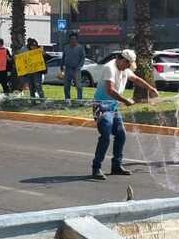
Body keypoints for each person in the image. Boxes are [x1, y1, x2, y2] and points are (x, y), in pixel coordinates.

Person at [91, 48, 158, 180]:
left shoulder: (124, 68)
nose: (128, 67)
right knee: (105, 135)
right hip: (101, 106)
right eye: (128, 64)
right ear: (122, 60)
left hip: (113, 106)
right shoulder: (109, 68)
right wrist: (125, 100)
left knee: (121, 134)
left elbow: (136, 79)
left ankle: (116, 165)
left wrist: (150, 88)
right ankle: (96, 167)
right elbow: (110, 90)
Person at [61, 32, 87, 101]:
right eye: (71, 39)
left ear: (76, 40)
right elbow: (63, 57)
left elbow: (83, 58)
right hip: (67, 69)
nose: (72, 40)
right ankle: (67, 100)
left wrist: (79, 66)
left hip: (76, 69)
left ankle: (79, 100)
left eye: (74, 39)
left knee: (78, 86)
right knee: (66, 86)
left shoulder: (80, 47)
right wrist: (62, 66)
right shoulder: (66, 47)